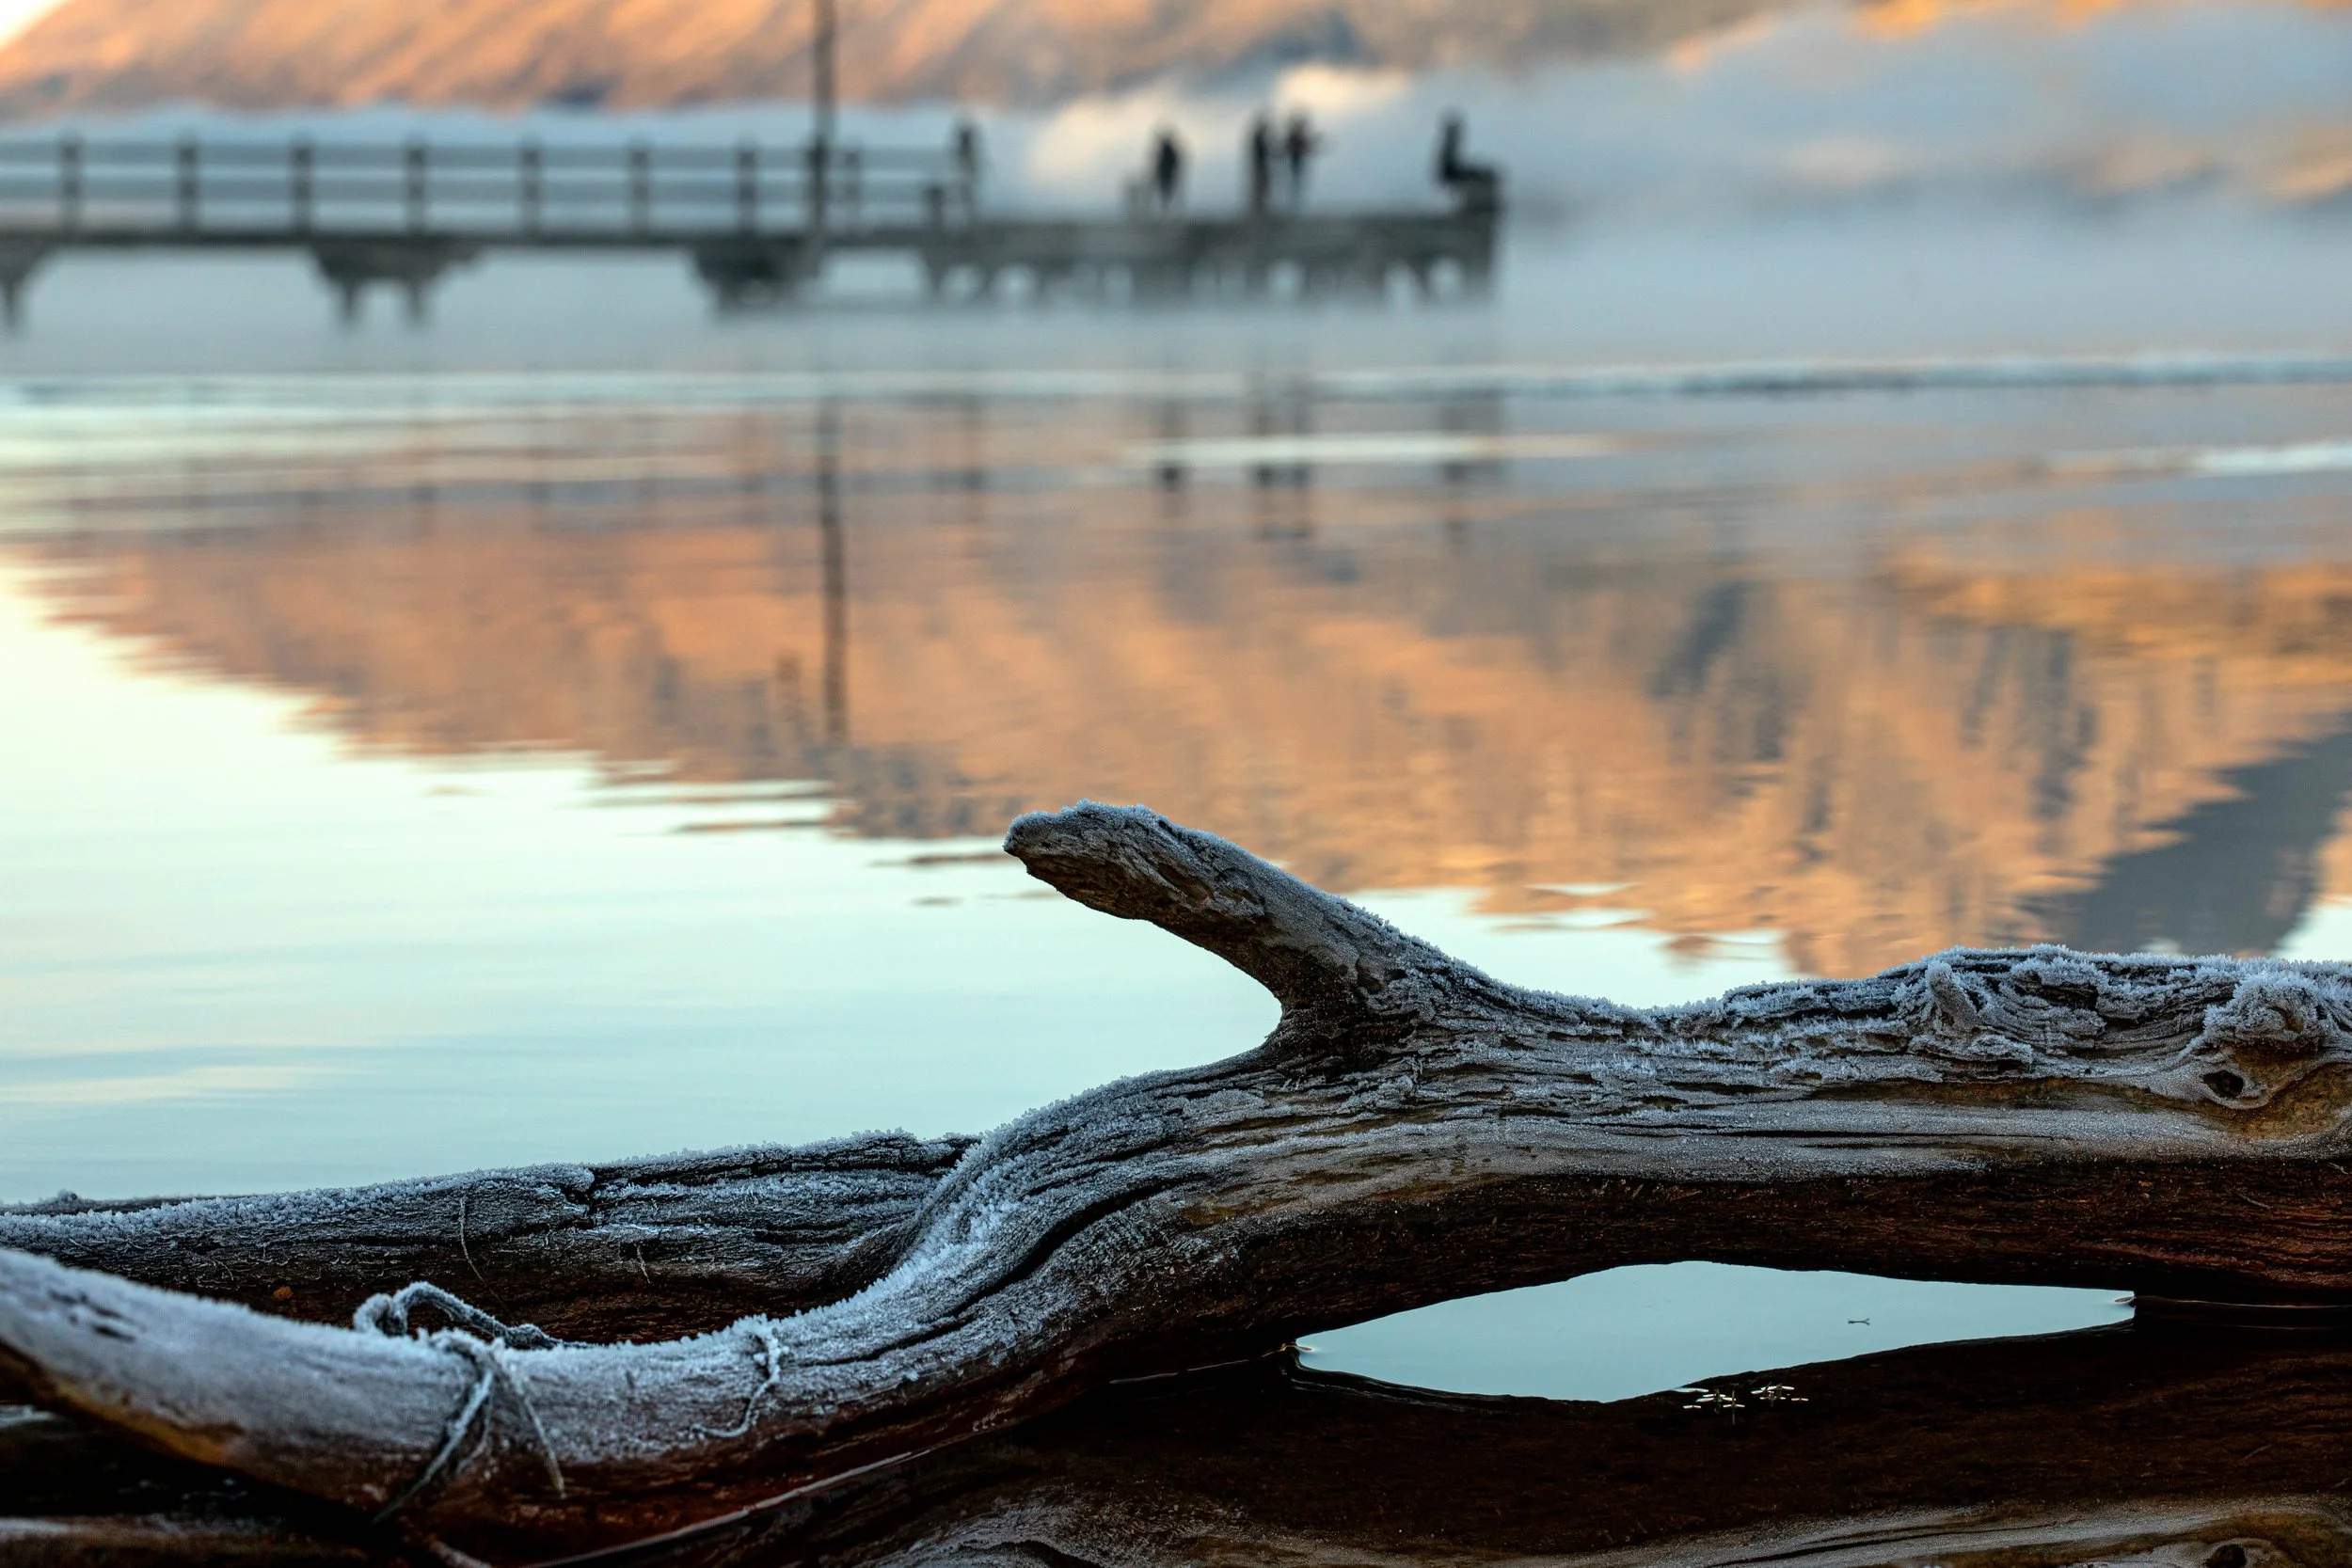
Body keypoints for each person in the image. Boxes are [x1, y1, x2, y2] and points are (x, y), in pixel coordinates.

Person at [1434, 112, 1499, 212]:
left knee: (1487, 175)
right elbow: (1448, 169)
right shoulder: (1449, 144)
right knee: (1488, 176)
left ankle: (1474, 206)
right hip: (1451, 173)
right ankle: (1474, 207)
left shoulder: (1449, 143)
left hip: (1451, 172)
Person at [1281, 112, 1322, 210]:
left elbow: (1304, 146)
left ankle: (1294, 205)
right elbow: (1297, 147)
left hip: (1295, 163)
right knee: (1295, 184)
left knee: (1296, 184)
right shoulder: (1294, 136)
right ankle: (1293, 206)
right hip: (1294, 163)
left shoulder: (1295, 136)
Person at [1245, 113, 1275, 217]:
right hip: (1260, 168)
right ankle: (1259, 210)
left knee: (1261, 189)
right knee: (1260, 189)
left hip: (1260, 168)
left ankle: (1260, 210)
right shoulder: (1259, 139)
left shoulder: (1258, 138)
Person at [1151, 127, 1185, 213]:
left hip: (1167, 176)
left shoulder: (1167, 152)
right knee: (1167, 194)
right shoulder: (1167, 152)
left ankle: (1169, 211)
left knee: (1168, 194)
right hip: (1166, 177)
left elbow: (1163, 164)